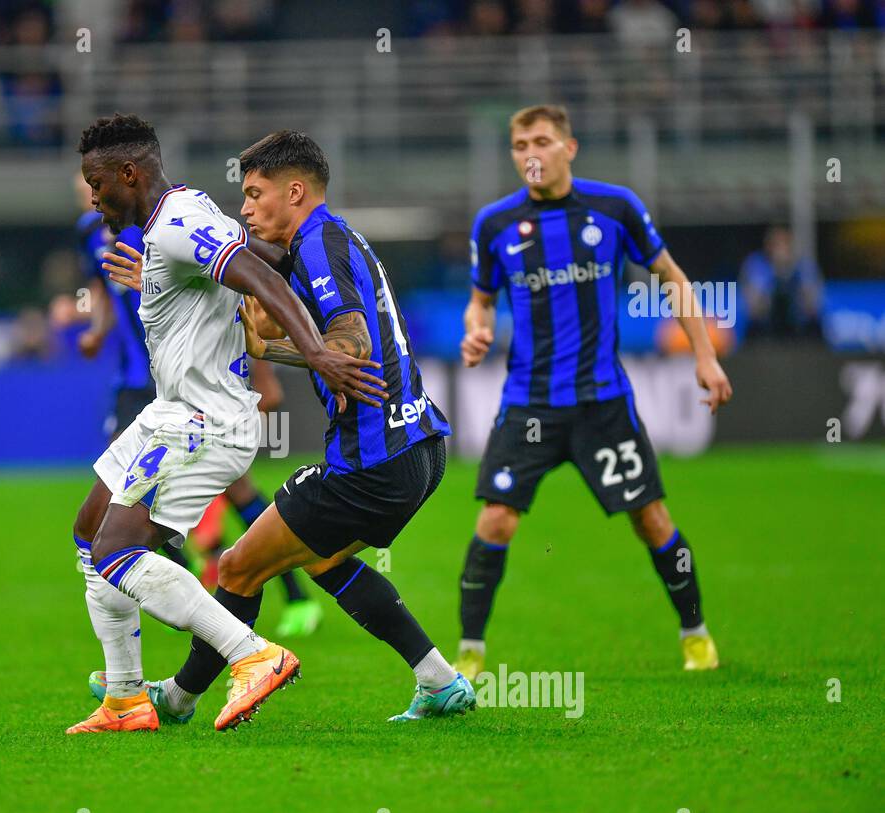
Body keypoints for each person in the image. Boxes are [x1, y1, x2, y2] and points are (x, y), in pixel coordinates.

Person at [99, 130, 476, 723]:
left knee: (238, 565)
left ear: (294, 191)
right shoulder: (331, 241)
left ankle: (177, 697)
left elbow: (348, 338)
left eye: (254, 195)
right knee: (321, 560)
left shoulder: (320, 245)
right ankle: (438, 679)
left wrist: (320, 351)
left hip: (372, 459)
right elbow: (340, 345)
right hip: (421, 449)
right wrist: (275, 351)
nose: (244, 211)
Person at [67, 114, 386, 734]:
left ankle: (253, 654)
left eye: (97, 181)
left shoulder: (180, 221)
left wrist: (315, 350)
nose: (94, 196)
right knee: (90, 535)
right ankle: (127, 699)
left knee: (117, 551)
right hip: (168, 410)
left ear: (128, 173)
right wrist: (157, 282)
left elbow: (258, 274)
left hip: (203, 419)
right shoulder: (169, 220)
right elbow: (235, 269)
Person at [456, 104, 733, 677]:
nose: (529, 153)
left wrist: (704, 357)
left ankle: (696, 633)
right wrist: (476, 329)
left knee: (651, 519)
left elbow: (672, 278)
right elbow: (481, 299)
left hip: (601, 402)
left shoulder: (615, 207)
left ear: (569, 148)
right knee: (495, 522)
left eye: (541, 141)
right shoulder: (494, 224)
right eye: (519, 144)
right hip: (528, 402)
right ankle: (470, 654)